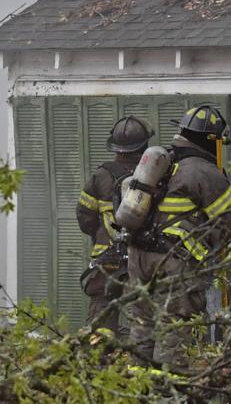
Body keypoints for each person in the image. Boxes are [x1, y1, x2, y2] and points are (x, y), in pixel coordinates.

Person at [127, 104, 231, 369]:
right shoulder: (206, 173)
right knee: (171, 330)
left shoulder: (162, 165)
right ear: (211, 141)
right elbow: (230, 222)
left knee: (142, 326)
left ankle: (133, 391)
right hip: (173, 264)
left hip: (138, 256)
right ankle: (168, 392)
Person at [77, 115, 154, 334]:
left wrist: (102, 234)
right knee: (147, 312)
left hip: (108, 255)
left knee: (103, 307)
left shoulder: (101, 176)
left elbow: (85, 217)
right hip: (145, 256)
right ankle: (141, 360)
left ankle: (99, 358)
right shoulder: (156, 175)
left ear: (116, 146)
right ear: (145, 144)